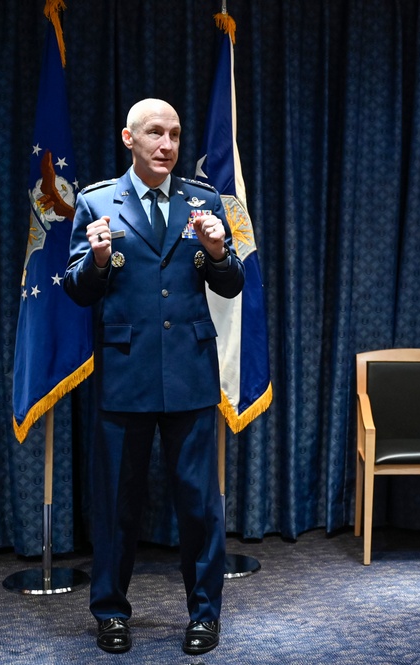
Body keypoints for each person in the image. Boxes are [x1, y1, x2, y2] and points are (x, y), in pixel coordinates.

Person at [64, 98, 244, 654]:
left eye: (174, 134)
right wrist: (94, 262)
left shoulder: (205, 200)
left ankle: (204, 615)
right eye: (154, 134)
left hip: (190, 375)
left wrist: (216, 251)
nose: (167, 145)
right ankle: (111, 614)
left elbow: (233, 282)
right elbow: (75, 287)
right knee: (117, 505)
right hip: (126, 375)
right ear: (129, 138)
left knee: (199, 505)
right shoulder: (97, 201)